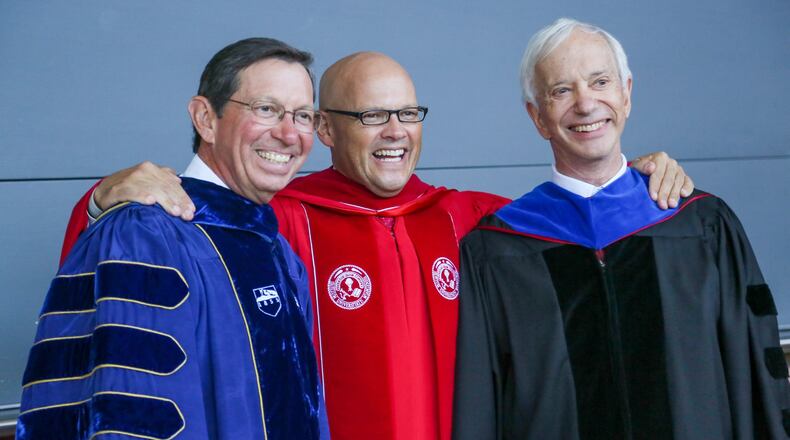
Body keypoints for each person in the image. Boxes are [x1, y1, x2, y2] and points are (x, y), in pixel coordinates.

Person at [58, 52, 693, 439]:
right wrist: (99, 198)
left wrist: (636, 177)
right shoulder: (273, 219)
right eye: (370, 117)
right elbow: (140, 260)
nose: (395, 133)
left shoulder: (464, 217)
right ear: (326, 129)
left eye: (408, 114)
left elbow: (586, 218)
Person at [452, 18, 790, 439]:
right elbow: (481, 404)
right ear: (537, 117)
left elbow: (753, 372)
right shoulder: (497, 251)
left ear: (626, 94)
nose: (586, 103)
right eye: (561, 90)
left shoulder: (701, 225)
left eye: (600, 82)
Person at [18, 38, 327, 439]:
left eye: (302, 115)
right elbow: (133, 412)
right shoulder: (145, 234)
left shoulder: (278, 251)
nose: (289, 134)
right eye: (266, 109)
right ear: (205, 118)